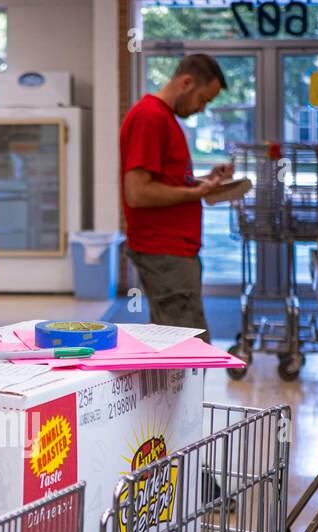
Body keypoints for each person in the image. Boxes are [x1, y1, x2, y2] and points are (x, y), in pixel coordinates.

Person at [120, 53, 234, 339]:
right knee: (189, 351)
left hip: (174, 251)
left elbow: (163, 180)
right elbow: (137, 192)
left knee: (175, 347)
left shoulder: (163, 118)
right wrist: (195, 192)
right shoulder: (151, 117)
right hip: (164, 250)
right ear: (186, 82)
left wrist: (205, 181)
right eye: (203, 99)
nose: (201, 109)